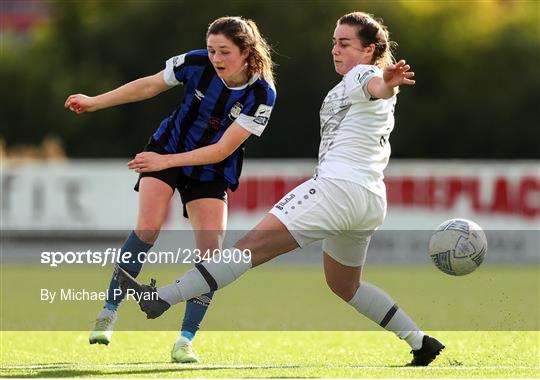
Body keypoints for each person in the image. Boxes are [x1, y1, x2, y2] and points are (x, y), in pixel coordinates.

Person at [116, 11, 445, 366]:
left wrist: (388, 81)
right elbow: (379, 90)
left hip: (336, 190)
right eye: (334, 42)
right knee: (345, 286)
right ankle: (419, 341)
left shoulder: (363, 74)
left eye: (345, 43)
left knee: (246, 249)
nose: (335, 49)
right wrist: (388, 83)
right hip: (368, 199)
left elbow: (376, 86)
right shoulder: (356, 79)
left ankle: (162, 297)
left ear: (369, 50)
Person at [64, 16, 276, 363]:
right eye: (211, 50)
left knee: (211, 254)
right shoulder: (194, 63)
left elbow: (222, 150)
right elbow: (148, 86)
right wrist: (94, 101)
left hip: (211, 168)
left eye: (224, 51)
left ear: (247, 52)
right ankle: (108, 312)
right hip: (166, 148)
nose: (216, 58)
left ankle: (185, 341)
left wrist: (167, 163)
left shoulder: (262, 94)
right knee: (148, 226)